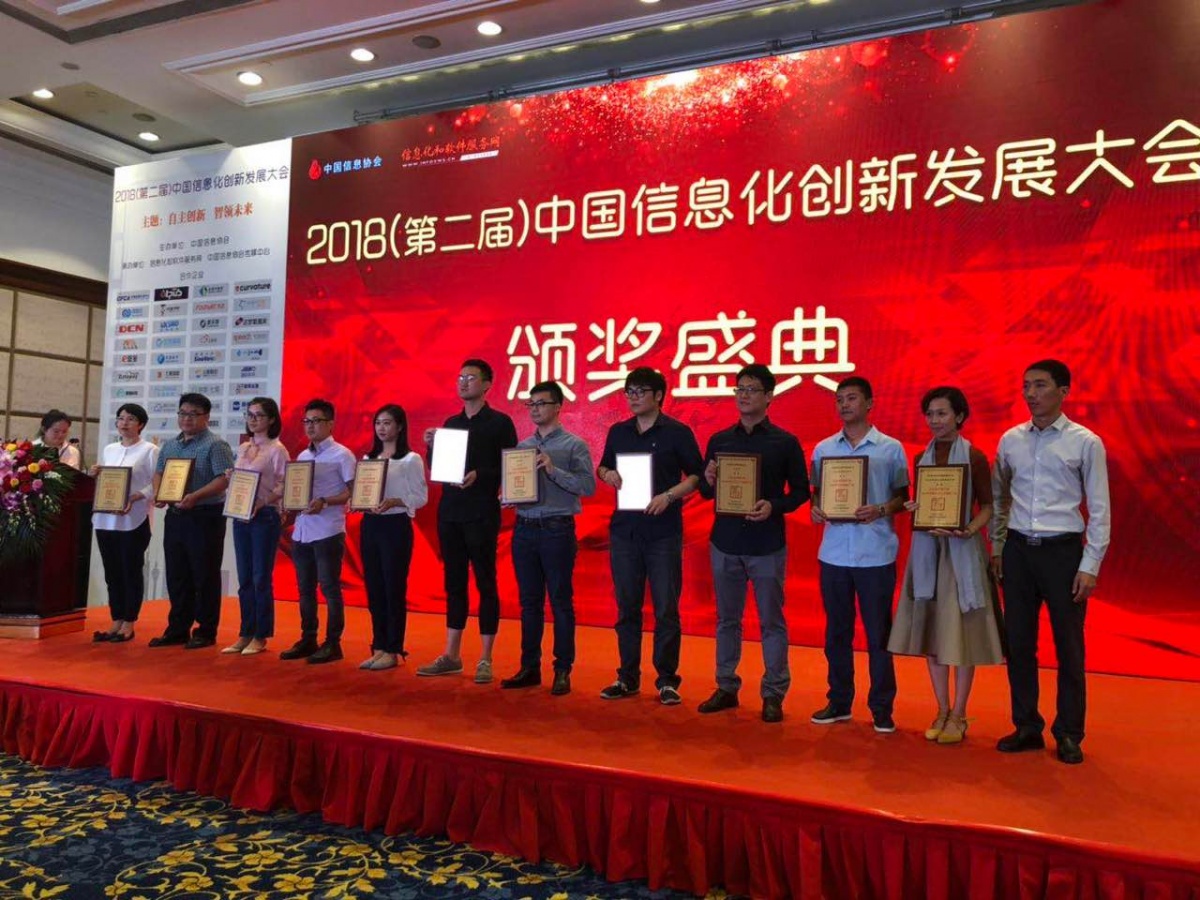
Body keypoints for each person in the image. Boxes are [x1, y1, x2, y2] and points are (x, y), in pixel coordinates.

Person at [991, 359, 1110, 765]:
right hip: (1018, 551)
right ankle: (1027, 725)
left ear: (1064, 391)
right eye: (1026, 386)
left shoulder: (1085, 442)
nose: (1031, 394)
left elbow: (1100, 508)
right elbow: (1000, 499)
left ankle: (1069, 732)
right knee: (1019, 643)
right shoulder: (1011, 440)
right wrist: (998, 547)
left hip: (1063, 553)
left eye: (1040, 385)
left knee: (1069, 646)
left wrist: (1090, 564)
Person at [888, 387, 1004, 743]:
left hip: (962, 552)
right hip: (928, 552)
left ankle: (959, 713)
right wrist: (915, 508)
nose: (935, 421)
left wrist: (968, 529)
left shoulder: (974, 457)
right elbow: (922, 501)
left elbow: (988, 506)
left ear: (960, 416)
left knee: (962, 633)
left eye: (942, 413)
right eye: (930, 414)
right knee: (933, 630)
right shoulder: (920, 457)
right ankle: (940, 708)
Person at [695, 364, 810, 723]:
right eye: (739, 389)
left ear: (769, 396)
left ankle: (773, 692)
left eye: (752, 389)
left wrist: (773, 505)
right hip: (725, 542)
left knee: (771, 620)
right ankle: (726, 685)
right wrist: (708, 478)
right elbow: (706, 491)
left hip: (766, 544)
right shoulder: (719, 440)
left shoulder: (785, 442)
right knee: (726, 619)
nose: (744, 395)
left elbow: (801, 492)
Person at [596, 366, 704, 705]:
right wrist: (608, 474)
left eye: (640, 391)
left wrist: (669, 496)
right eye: (629, 391)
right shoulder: (619, 431)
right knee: (627, 607)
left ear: (658, 396)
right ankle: (627, 677)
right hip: (625, 531)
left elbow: (697, 477)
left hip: (663, 532)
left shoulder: (677, 432)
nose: (633, 397)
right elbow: (602, 466)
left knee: (665, 608)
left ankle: (667, 680)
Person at [809, 376, 909, 733]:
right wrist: (816, 508)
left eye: (851, 398)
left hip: (875, 553)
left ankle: (882, 707)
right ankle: (839, 701)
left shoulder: (890, 448)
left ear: (870, 403)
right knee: (837, 632)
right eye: (839, 399)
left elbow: (903, 496)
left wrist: (880, 509)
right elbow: (817, 492)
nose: (844, 405)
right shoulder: (823, 449)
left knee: (879, 634)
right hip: (834, 553)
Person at [417, 359, 517, 684]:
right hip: (450, 512)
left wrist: (481, 475)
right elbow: (439, 469)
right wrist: (431, 447)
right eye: (460, 377)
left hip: (482, 512)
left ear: (487, 385)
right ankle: (452, 654)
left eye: (471, 377)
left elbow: (512, 466)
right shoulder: (451, 424)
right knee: (454, 582)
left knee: (486, 581)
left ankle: (485, 658)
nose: (463, 382)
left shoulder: (500, 423)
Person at [500, 381, 596, 696]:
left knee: (560, 601)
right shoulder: (522, 446)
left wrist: (553, 470)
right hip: (524, 528)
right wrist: (508, 496)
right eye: (531, 404)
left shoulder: (574, 445)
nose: (535, 409)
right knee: (529, 602)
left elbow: (587, 487)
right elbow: (517, 485)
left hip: (557, 529)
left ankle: (562, 669)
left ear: (558, 407)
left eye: (542, 403)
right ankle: (529, 667)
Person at [149, 393, 235, 650]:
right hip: (176, 516)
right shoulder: (170, 445)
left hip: (204, 516)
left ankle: (206, 631)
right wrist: (159, 493)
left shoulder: (215, 445)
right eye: (183, 413)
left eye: (193, 414)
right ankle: (177, 629)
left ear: (206, 417)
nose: (187, 419)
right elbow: (159, 472)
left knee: (204, 574)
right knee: (177, 574)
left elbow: (223, 479)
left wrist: (196, 496)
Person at [280, 398, 356, 665]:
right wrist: (288, 503)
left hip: (328, 530)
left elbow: (353, 492)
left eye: (316, 421)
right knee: (305, 589)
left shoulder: (342, 454)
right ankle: (308, 637)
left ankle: (333, 643)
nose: (310, 426)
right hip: (302, 530)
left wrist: (325, 501)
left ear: (330, 424)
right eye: (306, 421)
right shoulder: (303, 456)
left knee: (330, 588)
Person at [359, 403, 428, 671]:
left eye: (387, 423)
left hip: (395, 526)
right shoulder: (368, 459)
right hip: (371, 524)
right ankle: (378, 646)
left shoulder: (410, 459)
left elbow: (421, 497)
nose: (382, 428)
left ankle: (393, 648)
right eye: (378, 423)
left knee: (393, 588)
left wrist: (395, 501)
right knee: (374, 587)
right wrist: (358, 500)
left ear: (399, 427)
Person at [223, 397, 289, 656]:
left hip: (264, 516)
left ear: (271, 419)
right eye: (249, 415)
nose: (253, 420)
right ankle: (245, 632)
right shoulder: (243, 448)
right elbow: (241, 480)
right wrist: (232, 477)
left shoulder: (277, 450)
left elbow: (284, 484)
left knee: (261, 577)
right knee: (245, 578)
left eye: (259, 415)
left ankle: (261, 635)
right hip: (241, 516)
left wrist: (263, 502)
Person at [90, 403, 159, 643]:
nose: (124, 423)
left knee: (131, 571)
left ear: (141, 424)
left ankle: (129, 622)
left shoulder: (150, 450)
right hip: (105, 519)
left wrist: (138, 495)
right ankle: (116, 619)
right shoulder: (109, 449)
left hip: (133, 519)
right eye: (121, 418)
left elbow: (157, 483)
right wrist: (95, 474)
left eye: (130, 419)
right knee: (112, 573)